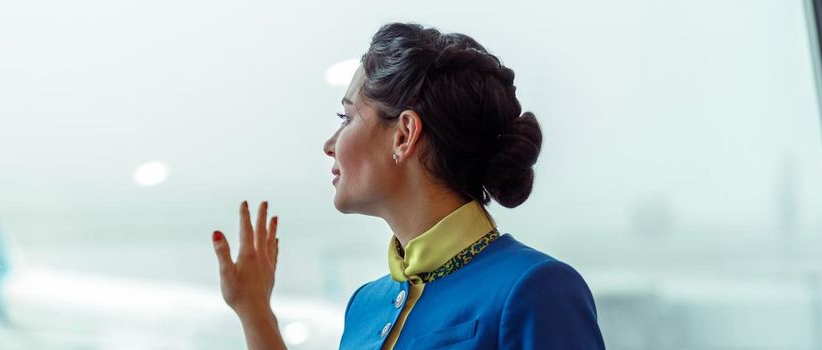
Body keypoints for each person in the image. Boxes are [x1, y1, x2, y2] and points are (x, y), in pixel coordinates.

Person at [209, 22, 605, 350]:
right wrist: (254, 311)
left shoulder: (535, 290)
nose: (330, 145)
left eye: (346, 118)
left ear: (404, 135)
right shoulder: (365, 306)